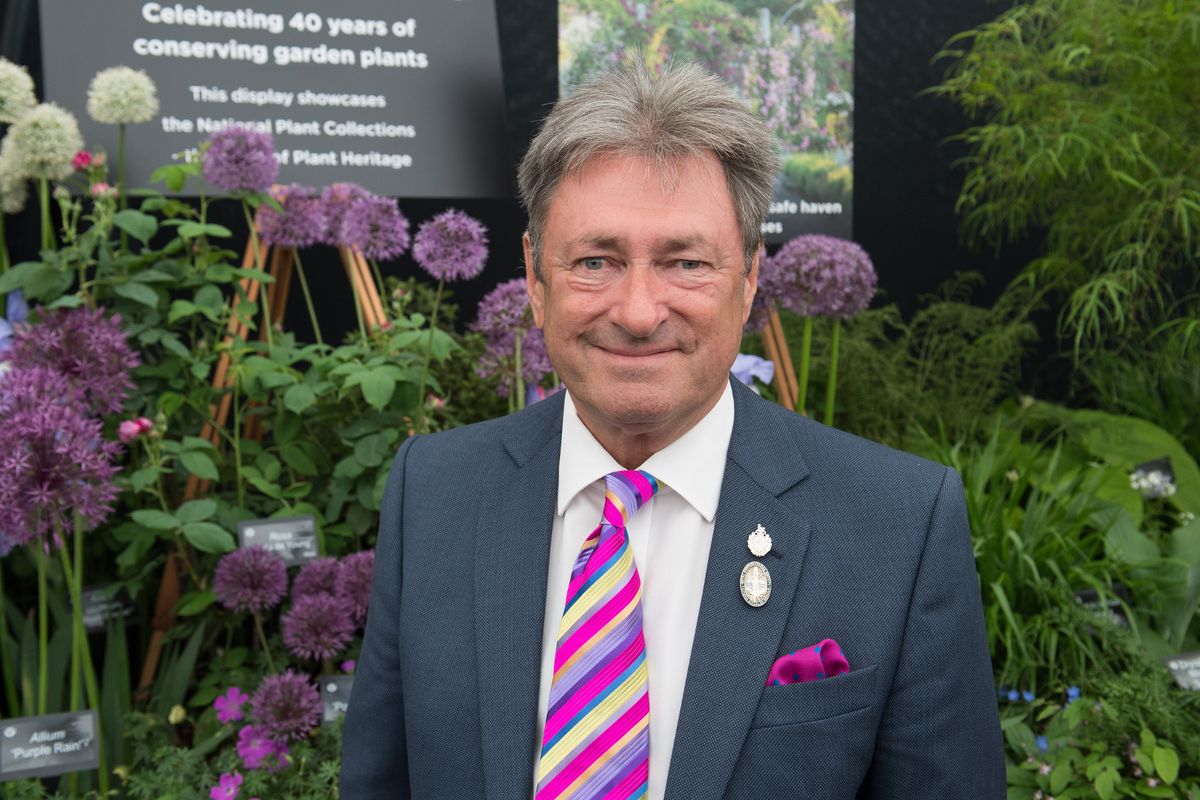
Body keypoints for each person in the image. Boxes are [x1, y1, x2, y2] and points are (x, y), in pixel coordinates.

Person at [340, 60, 1005, 800]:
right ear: (534, 277)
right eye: (596, 260)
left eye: (685, 262)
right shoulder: (433, 492)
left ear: (750, 278)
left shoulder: (898, 526)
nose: (637, 310)